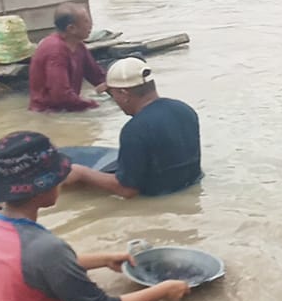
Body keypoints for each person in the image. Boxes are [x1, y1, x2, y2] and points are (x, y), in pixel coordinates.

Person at [0, 131, 190, 301]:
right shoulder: (47, 249)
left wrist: (103, 259)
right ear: (44, 188)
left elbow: (26, 267)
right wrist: (164, 289)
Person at [65, 58, 202, 198]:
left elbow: (127, 190)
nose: (115, 101)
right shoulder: (185, 110)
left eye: (112, 94)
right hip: (191, 188)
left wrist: (82, 173)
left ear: (124, 94)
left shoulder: (134, 130)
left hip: (155, 198)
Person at [28, 3, 107, 112]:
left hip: (67, 108)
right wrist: (92, 105)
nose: (91, 25)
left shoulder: (78, 46)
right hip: (47, 113)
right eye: (86, 21)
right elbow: (60, 95)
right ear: (71, 28)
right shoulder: (55, 50)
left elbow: (98, 77)